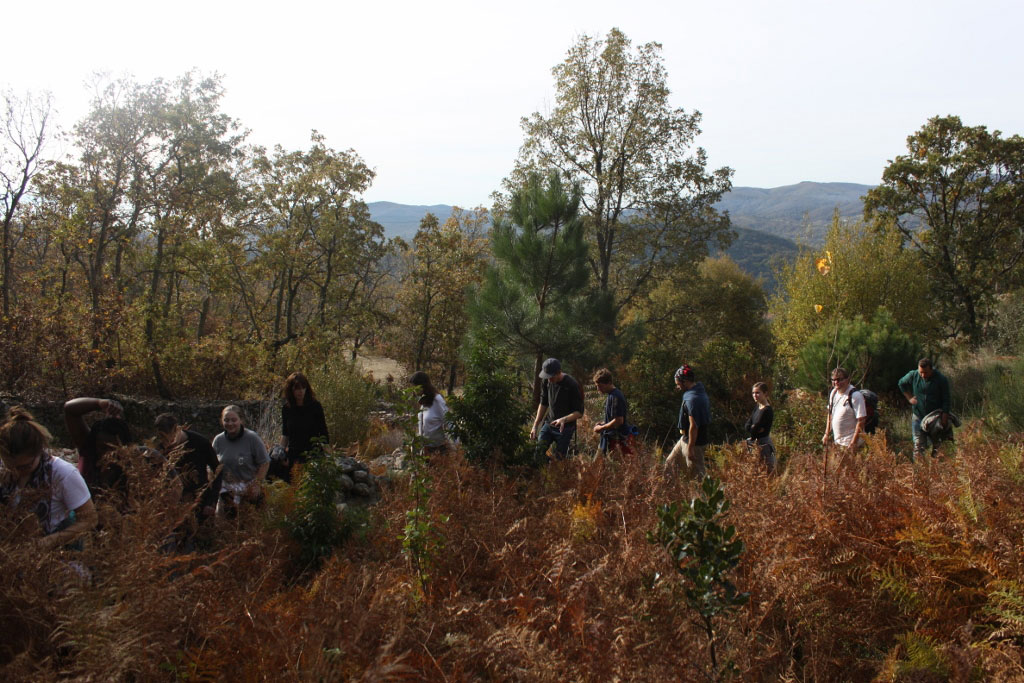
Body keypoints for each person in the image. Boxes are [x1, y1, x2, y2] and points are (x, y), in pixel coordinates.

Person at [1, 406, 97, 550]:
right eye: (11, 466)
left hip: (55, 553)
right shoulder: (4, 467)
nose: (16, 472)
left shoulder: (63, 474)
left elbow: (90, 519)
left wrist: (51, 541)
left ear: (39, 451)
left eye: (25, 466)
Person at [63, 397, 134, 496]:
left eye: (114, 449)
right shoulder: (88, 453)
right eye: (103, 448)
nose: (107, 454)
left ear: (125, 448)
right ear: (95, 444)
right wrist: (100, 403)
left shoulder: (134, 468)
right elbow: (70, 409)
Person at [155, 413, 220, 518]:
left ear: (176, 429)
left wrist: (212, 501)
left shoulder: (200, 443)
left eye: (168, 439)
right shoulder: (160, 449)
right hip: (174, 507)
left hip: (201, 502)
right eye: (162, 438)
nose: (166, 443)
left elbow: (218, 471)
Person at [211, 406, 269, 515]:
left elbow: (265, 462)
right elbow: (211, 465)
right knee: (228, 521)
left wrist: (257, 484)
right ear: (222, 421)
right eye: (226, 420)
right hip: (227, 491)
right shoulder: (218, 440)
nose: (230, 423)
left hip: (249, 488)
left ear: (241, 420)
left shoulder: (252, 438)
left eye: (234, 420)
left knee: (250, 521)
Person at [276, 372, 329, 481]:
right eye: (297, 388)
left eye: (303, 388)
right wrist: (281, 452)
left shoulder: (315, 406)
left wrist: (329, 458)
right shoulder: (286, 409)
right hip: (294, 455)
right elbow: (285, 434)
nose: (300, 391)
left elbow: (324, 434)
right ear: (291, 390)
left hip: (313, 454)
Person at [530, 358, 585, 461]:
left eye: (551, 377)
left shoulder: (572, 385)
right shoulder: (546, 381)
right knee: (538, 455)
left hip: (565, 428)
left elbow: (579, 412)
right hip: (549, 424)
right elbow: (543, 403)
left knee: (559, 460)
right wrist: (535, 426)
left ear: (559, 372)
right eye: (546, 376)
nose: (548, 379)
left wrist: (563, 419)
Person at [898, 358, 952, 459]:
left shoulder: (941, 379)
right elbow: (901, 383)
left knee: (938, 446)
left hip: (935, 418)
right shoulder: (913, 375)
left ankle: (938, 467)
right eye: (921, 372)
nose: (923, 375)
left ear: (931, 369)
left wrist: (945, 415)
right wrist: (909, 398)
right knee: (918, 446)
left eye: (926, 372)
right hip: (918, 416)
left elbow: (946, 398)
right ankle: (919, 467)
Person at [664, 364, 711, 481]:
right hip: (684, 439)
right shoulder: (697, 392)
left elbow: (694, 425)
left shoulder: (693, 399)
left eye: (678, 384)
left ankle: (703, 493)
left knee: (697, 478)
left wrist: (690, 448)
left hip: (694, 444)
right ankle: (672, 491)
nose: (677, 387)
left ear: (685, 382)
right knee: (669, 465)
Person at [592, 368, 634, 456]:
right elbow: (614, 418)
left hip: (617, 440)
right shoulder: (611, 395)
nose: (598, 389)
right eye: (597, 386)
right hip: (610, 438)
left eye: (600, 386)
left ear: (609, 383)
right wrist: (603, 423)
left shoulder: (615, 396)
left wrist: (601, 428)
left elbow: (619, 421)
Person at [822, 367, 866, 451]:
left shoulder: (856, 396)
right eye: (833, 380)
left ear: (847, 379)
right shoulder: (834, 393)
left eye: (839, 379)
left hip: (852, 444)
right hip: (838, 443)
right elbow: (830, 414)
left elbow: (861, 420)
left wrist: (853, 443)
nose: (836, 382)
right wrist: (826, 434)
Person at [410, 371, 449, 453]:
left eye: (415, 387)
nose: (414, 390)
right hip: (425, 449)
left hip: (438, 450)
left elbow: (449, 421)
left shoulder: (437, 400)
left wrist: (456, 448)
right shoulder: (423, 401)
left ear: (423, 386)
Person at [745, 382, 776, 474]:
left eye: (758, 393)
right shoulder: (757, 407)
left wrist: (754, 428)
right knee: (755, 472)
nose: (755, 395)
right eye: (753, 393)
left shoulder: (767, 410)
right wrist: (753, 427)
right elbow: (747, 426)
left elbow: (754, 429)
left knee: (766, 472)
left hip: (764, 445)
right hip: (754, 444)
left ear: (765, 393)